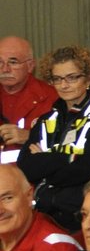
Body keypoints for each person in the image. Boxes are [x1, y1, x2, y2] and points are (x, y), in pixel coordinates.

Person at [20, 45, 90, 224]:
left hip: (89, 216)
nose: (64, 85)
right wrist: (69, 158)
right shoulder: (45, 120)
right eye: (57, 79)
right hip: (45, 214)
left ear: (88, 79)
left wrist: (45, 160)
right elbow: (26, 168)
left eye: (72, 78)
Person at [0, 37, 54, 168]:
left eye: (13, 62)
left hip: (33, 177)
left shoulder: (51, 97)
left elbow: (68, 144)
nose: (5, 69)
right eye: (0, 62)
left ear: (30, 66)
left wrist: (30, 137)